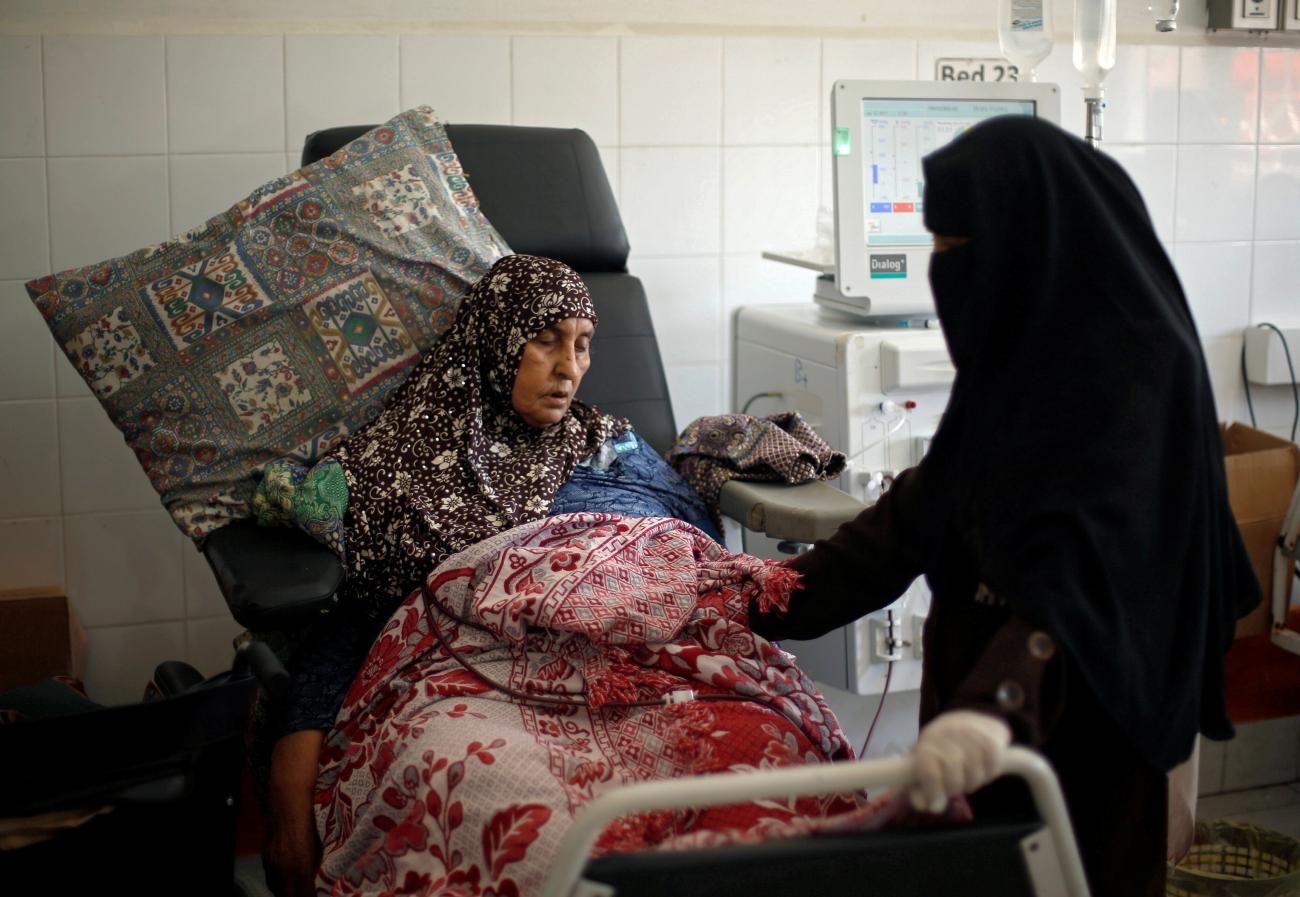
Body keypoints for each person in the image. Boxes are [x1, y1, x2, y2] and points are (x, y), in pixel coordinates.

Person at [748, 116, 1260, 897]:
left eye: (960, 251)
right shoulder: (1019, 362)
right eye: (939, 249)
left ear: (1027, 241)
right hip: (990, 709)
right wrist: (759, 600)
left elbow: (1091, 571)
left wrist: (997, 703)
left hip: (1098, 710)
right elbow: (918, 516)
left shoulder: (1137, 375)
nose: (943, 273)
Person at [265, 254, 717, 896]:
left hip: (633, 669)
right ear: (496, 338)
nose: (569, 368)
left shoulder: (607, 446)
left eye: (583, 345)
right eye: (545, 340)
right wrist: (288, 810)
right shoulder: (394, 463)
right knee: (524, 821)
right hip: (468, 688)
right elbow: (350, 630)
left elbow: (690, 546)